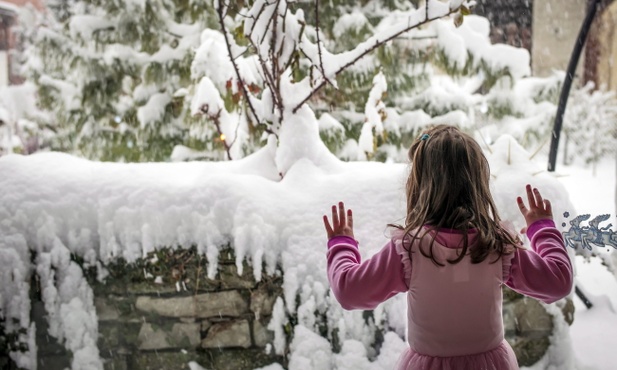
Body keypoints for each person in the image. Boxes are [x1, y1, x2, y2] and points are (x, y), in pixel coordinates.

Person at [323, 125, 573, 369]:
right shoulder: (496, 246)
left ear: (420, 187)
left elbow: (349, 291)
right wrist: (542, 229)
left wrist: (342, 244)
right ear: (477, 184)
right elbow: (558, 281)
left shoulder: (409, 250)